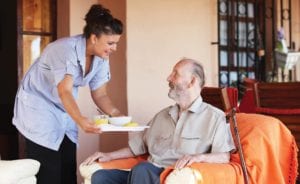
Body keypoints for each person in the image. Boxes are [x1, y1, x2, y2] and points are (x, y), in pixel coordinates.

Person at [12, 4, 124, 184]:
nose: (114, 48)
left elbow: (100, 94)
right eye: (110, 43)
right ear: (94, 38)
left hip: (64, 108)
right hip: (39, 108)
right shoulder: (64, 49)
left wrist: (119, 117)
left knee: (67, 168)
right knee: (49, 172)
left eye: (116, 43)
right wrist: (81, 120)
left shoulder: (101, 57)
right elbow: (63, 90)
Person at [82, 58, 236, 184]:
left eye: (175, 74)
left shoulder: (214, 117)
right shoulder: (162, 116)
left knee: (142, 170)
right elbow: (137, 147)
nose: (168, 78)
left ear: (192, 82)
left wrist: (198, 158)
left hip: (175, 176)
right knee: (100, 177)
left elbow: (223, 156)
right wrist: (108, 156)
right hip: (146, 175)